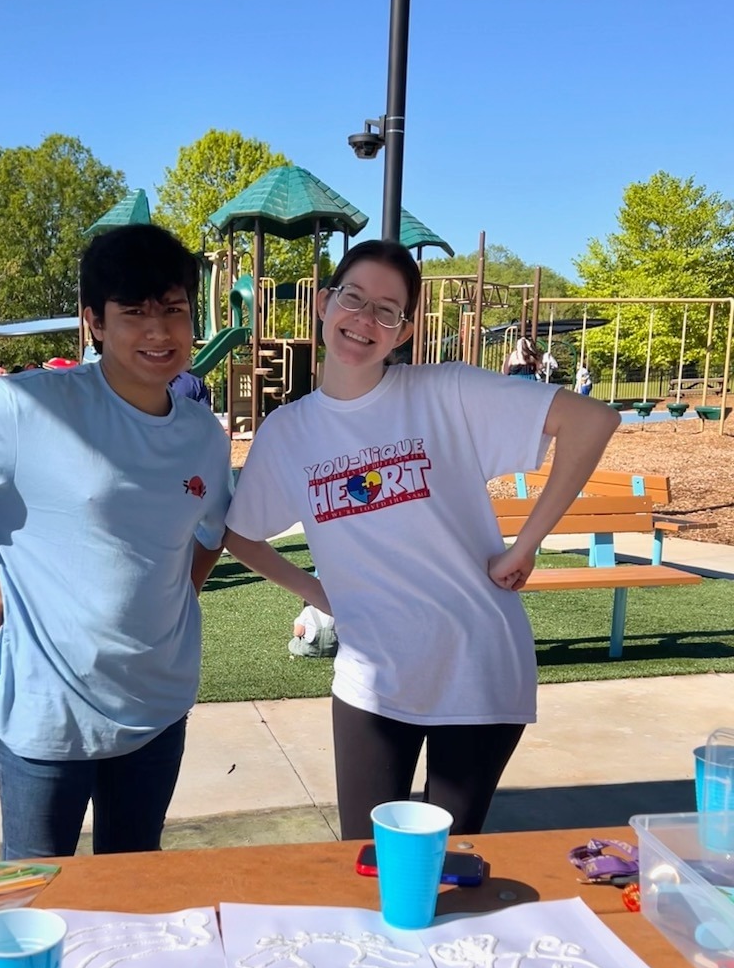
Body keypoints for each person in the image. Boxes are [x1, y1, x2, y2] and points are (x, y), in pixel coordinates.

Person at [0, 224, 233, 860]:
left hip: (159, 705)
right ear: (94, 321)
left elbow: (210, 532)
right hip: (49, 715)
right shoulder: (29, 406)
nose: (159, 332)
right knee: (35, 904)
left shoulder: (201, 430)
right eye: (134, 312)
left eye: (174, 311)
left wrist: (177, 598)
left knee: (133, 889)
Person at [223, 239, 619, 839]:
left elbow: (592, 420)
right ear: (326, 304)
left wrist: (526, 545)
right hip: (372, 678)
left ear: (403, 332)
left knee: (449, 866)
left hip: (477, 665)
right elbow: (241, 536)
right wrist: (324, 595)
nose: (364, 320)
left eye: (387, 310)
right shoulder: (287, 433)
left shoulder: (446, 392)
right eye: (353, 299)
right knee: (367, 862)